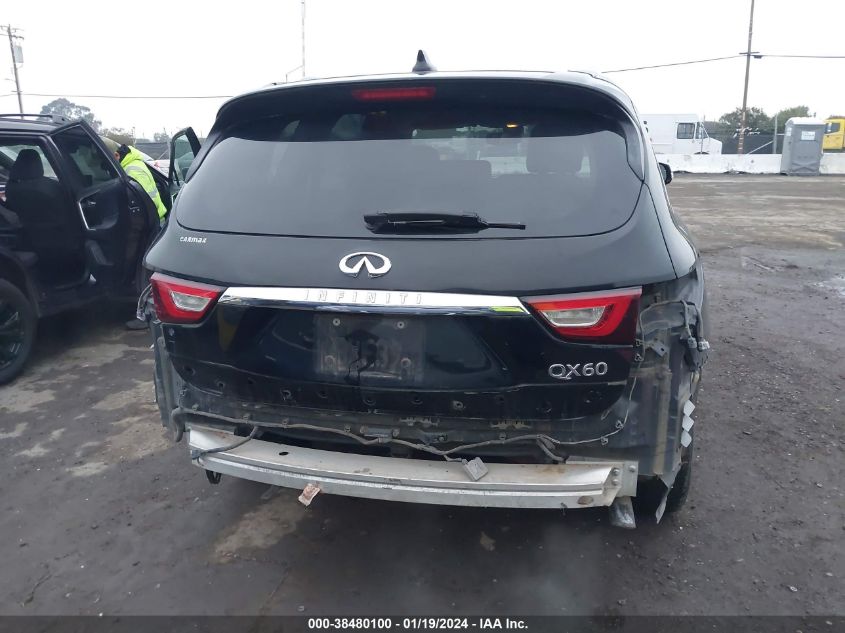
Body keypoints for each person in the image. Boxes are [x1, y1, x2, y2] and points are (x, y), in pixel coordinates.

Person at [114, 144, 166, 330]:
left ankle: (148, 316)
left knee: (147, 272)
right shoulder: (134, 165)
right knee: (146, 270)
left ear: (117, 155)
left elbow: (142, 203)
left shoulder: (132, 170)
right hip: (152, 223)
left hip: (151, 225)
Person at [114, 144, 168, 221]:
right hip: (155, 216)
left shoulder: (132, 170)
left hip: (154, 220)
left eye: (113, 157)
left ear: (117, 155)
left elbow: (149, 200)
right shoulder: (135, 163)